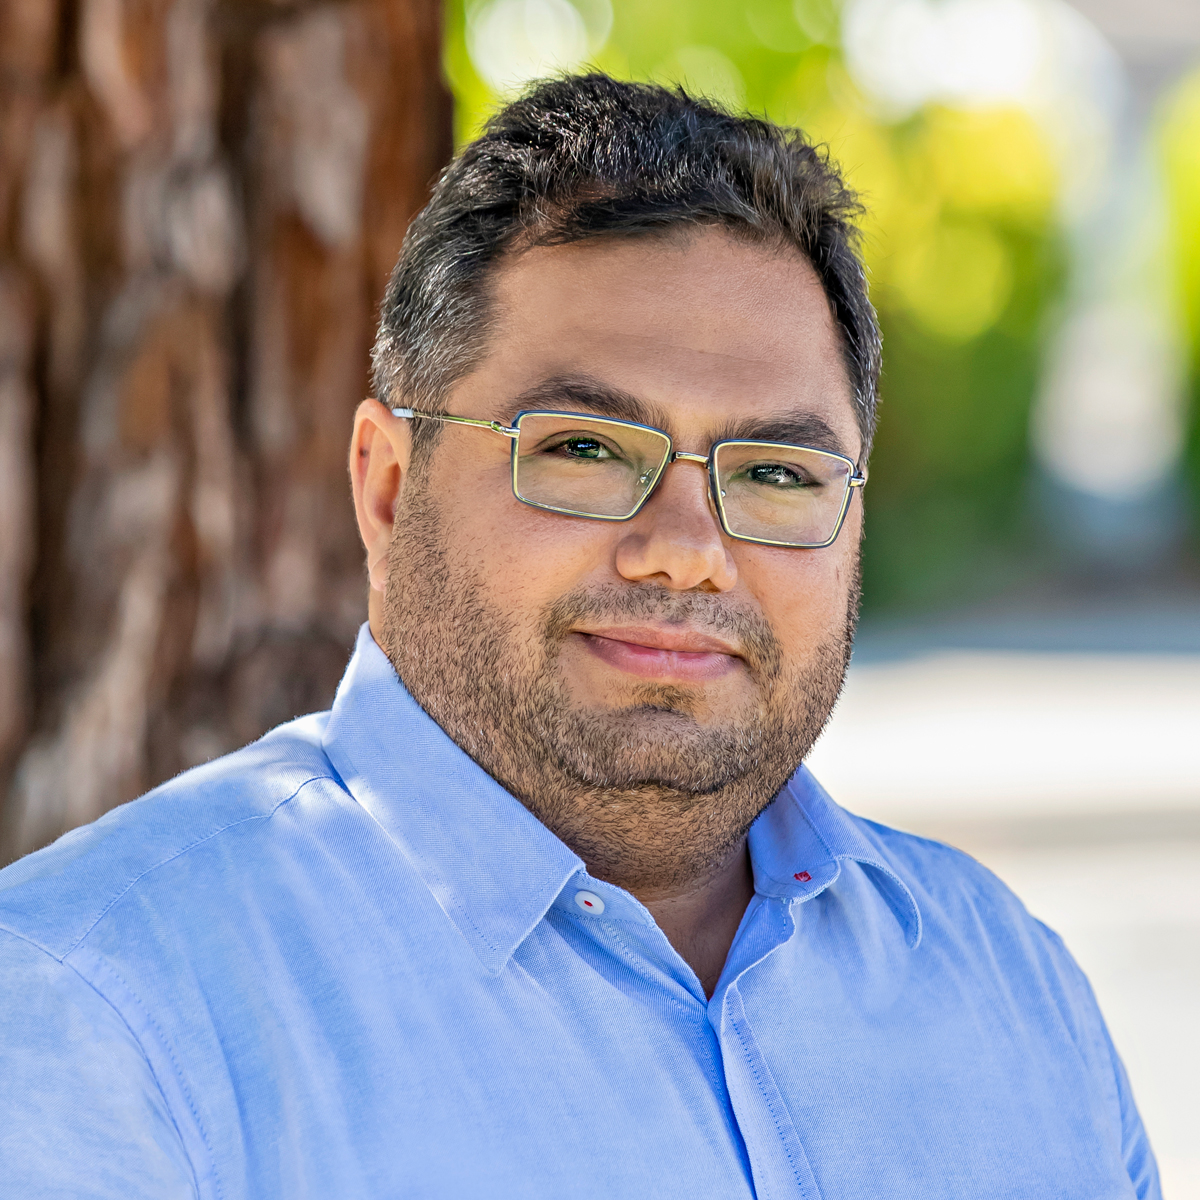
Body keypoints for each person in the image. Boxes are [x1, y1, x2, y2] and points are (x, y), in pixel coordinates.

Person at [0, 75, 1158, 1199]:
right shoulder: (95, 1014)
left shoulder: (1009, 981)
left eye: (774, 472)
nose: (689, 549)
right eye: (586, 450)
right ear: (390, 489)